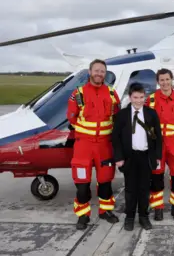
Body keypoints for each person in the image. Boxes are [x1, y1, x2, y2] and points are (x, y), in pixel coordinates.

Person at [67, 59, 121, 230]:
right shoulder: (78, 93)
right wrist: (86, 134)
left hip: (104, 146)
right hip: (84, 146)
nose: (99, 74)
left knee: (105, 181)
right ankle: (83, 215)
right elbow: (71, 117)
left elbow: (117, 119)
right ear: (90, 72)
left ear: (105, 74)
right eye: (96, 70)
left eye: (102, 71)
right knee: (82, 184)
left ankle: (105, 211)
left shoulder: (112, 94)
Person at [111, 83, 163, 231]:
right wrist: (119, 158)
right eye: (135, 97)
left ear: (145, 97)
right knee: (130, 189)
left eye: (141, 97)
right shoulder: (122, 115)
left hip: (146, 156)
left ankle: (143, 217)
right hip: (129, 157)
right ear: (130, 97)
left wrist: (157, 156)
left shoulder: (151, 114)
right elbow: (116, 138)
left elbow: (158, 137)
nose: (139, 100)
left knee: (144, 189)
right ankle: (129, 217)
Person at [146, 68, 174, 221]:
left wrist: (173, 134)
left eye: (167, 79)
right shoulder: (150, 100)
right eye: (162, 80)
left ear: (172, 80)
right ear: (158, 82)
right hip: (157, 144)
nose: (165, 82)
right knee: (156, 176)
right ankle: (158, 208)